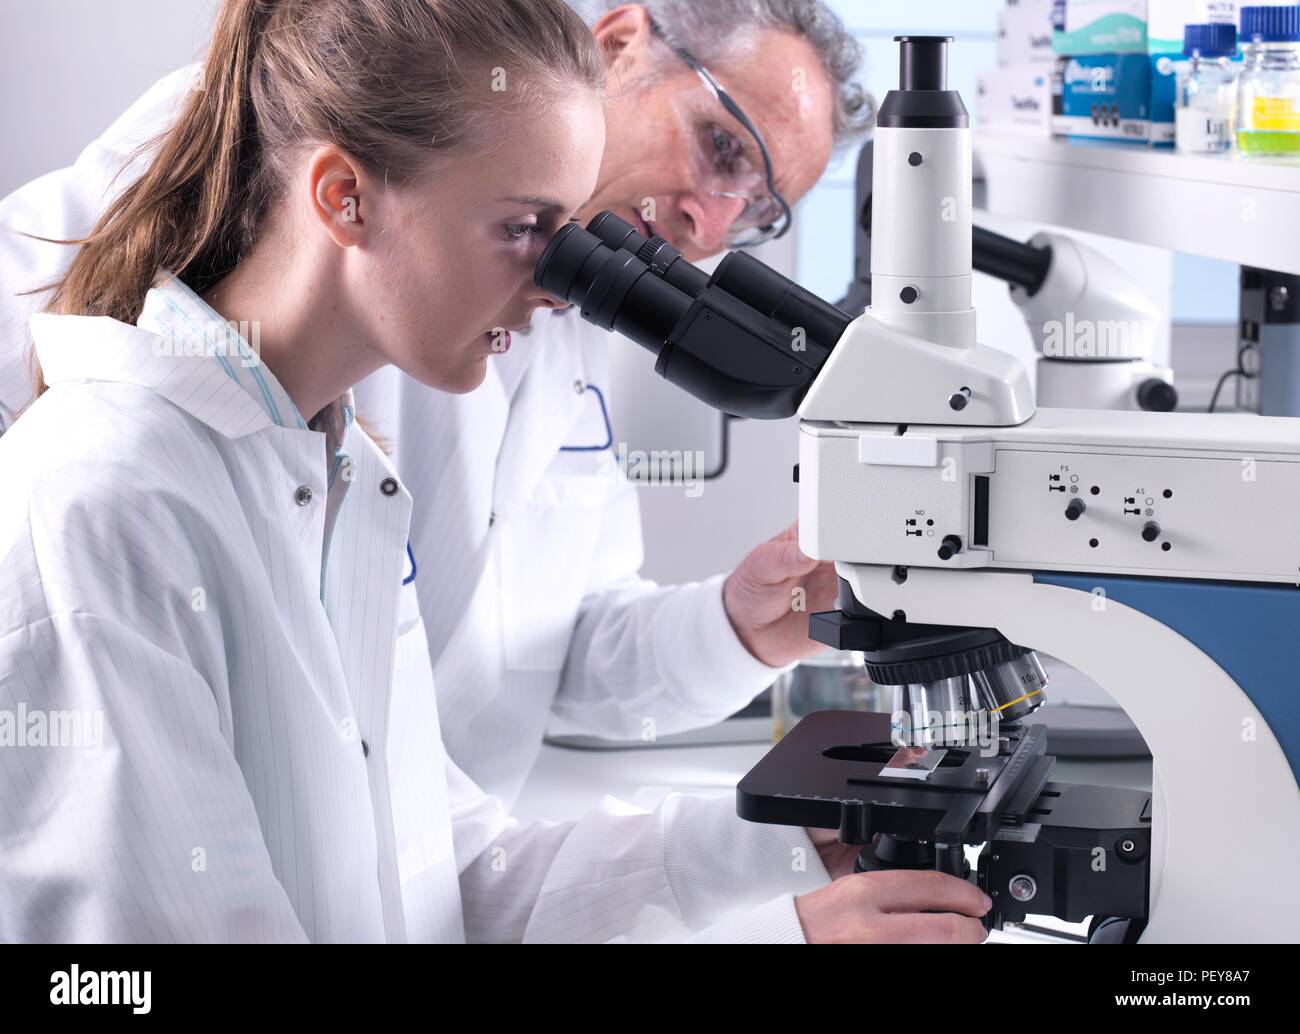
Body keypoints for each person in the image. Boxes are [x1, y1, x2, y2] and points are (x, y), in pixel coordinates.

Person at [0, 0, 992, 943]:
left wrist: (774, 849)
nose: (708, 223)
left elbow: (448, 874)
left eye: (755, 211)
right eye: (526, 228)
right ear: (341, 196)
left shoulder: (340, 467)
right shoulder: (110, 493)